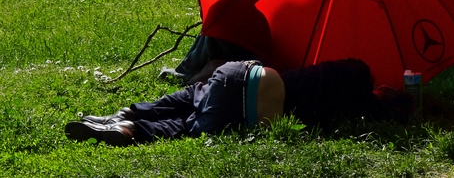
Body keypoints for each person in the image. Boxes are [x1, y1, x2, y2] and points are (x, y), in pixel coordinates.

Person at [64, 59, 414, 146]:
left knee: (194, 95)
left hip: (239, 73)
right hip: (246, 113)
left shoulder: (348, 70)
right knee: (188, 126)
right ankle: (130, 129)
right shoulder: (344, 111)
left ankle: (124, 113)